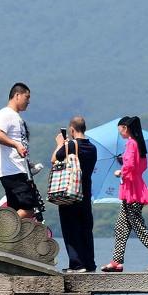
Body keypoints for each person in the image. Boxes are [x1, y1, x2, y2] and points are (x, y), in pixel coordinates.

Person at [103, 115, 148, 273]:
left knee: (139, 227)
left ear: (125, 128)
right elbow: (141, 166)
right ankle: (117, 261)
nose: (119, 132)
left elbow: (131, 165)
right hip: (133, 189)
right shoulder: (138, 144)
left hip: (132, 190)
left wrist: (121, 172)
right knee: (121, 227)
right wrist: (125, 165)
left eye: (119, 129)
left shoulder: (131, 144)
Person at [0, 83, 44, 223]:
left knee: (15, 209)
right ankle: (2, 229)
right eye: (27, 97)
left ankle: (8, 234)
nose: (29, 101)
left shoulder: (16, 117)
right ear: (17, 95)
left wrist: (28, 164)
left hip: (18, 169)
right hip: (12, 171)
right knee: (30, 208)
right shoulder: (5, 114)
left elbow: (19, 146)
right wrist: (15, 144)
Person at [52, 117, 99, 273]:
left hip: (70, 193)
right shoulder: (93, 148)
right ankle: (89, 264)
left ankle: (77, 265)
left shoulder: (71, 145)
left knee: (70, 229)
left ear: (72, 130)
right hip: (85, 194)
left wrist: (60, 143)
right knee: (85, 229)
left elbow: (54, 159)